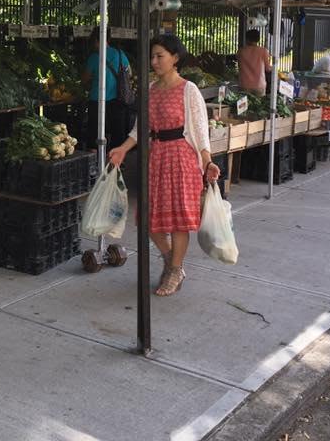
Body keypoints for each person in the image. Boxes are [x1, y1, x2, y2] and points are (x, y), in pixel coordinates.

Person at [108, 36, 221, 297]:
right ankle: (173, 263)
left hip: (181, 158)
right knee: (149, 220)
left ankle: (174, 269)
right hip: (156, 158)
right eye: (153, 56)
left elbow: (201, 131)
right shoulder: (149, 89)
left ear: (175, 58)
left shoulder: (188, 89)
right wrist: (123, 148)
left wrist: (207, 161)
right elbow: (141, 128)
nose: (154, 61)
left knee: (179, 220)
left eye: (160, 56)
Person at [81, 27, 129, 152]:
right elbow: (129, 73)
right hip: (117, 100)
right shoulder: (119, 54)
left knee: (94, 132)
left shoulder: (94, 57)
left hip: (97, 101)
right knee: (117, 132)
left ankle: (94, 161)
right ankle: (117, 162)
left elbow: (85, 79)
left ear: (97, 40)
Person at [238, 29, 272, 95]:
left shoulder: (241, 51)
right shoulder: (263, 51)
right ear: (258, 39)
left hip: (244, 84)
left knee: (245, 105)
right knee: (258, 105)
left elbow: (239, 67)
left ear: (247, 38)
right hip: (259, 85)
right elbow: (267, 68)